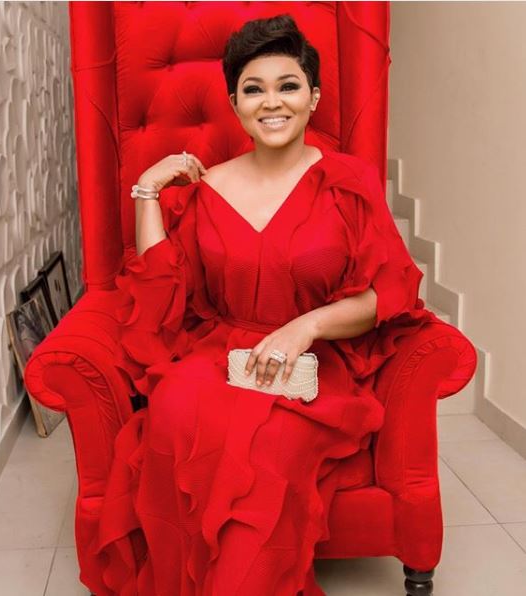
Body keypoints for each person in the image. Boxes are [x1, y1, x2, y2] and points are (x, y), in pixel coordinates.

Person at [93, 13, 436, 596]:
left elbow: (388, 292)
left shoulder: (349, 182)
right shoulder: (207, 188)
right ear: (236, 104)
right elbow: (161, 290)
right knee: (173, 411)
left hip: (312, 363)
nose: (271, 102)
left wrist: (306, 327)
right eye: (254, 89)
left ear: (313, 97)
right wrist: (147, 191)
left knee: (270, 448)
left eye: (288, 86)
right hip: (219, 353)